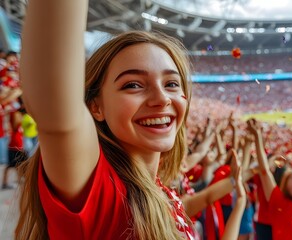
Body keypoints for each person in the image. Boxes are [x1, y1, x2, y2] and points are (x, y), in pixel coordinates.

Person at [17, 1, 200, 239]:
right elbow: (52, 97)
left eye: (171, 84)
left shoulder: (158, 187)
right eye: (133, 85)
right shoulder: (102, 191)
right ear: (96, 106)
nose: (162, 98)